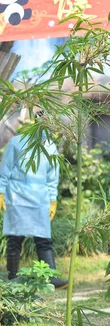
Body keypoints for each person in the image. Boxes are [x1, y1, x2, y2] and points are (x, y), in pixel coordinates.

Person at [0, 110, 67, 288]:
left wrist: (52, 199)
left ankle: (51, 277)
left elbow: (53, 176)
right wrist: (1, 191)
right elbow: (5, 168)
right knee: (15, 239)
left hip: (40, 198)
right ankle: (12, 278)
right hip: (17, 195)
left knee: (43, 239)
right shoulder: (17, 142)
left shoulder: (50, 147)